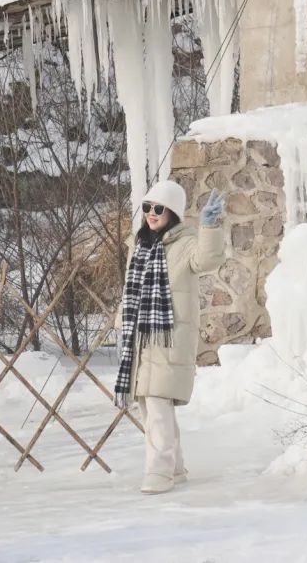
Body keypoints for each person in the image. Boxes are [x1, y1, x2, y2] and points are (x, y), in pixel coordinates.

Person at [114, 180, 226, 495]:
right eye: (147, 207)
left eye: (158, 209)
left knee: (159, 407)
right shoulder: (138, 245)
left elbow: (207, 260)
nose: (151, 214)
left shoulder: (186, 243)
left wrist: (210, 226)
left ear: (172, 212)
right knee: (150, 407)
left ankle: (159, 472)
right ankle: (175, 468)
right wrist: (122, 322)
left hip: (169, 337)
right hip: (141, 338)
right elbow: (129, 291)